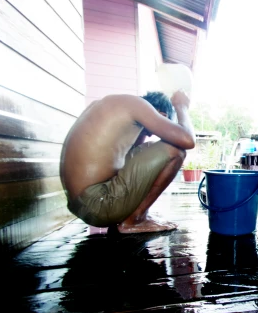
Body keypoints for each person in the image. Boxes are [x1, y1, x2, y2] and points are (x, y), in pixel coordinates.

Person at [60, 90, 195, 233]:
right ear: (162, 116)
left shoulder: (111, 105)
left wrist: (143, 131)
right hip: (97, 204)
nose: (148, 134)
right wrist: (181, 106)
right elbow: (187, 140)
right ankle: (135, 220)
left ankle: (136, 215)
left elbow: (131, 155)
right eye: (150, 132)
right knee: (175, 149)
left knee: (148, 150)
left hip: (82, 204)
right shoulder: (138, 106)